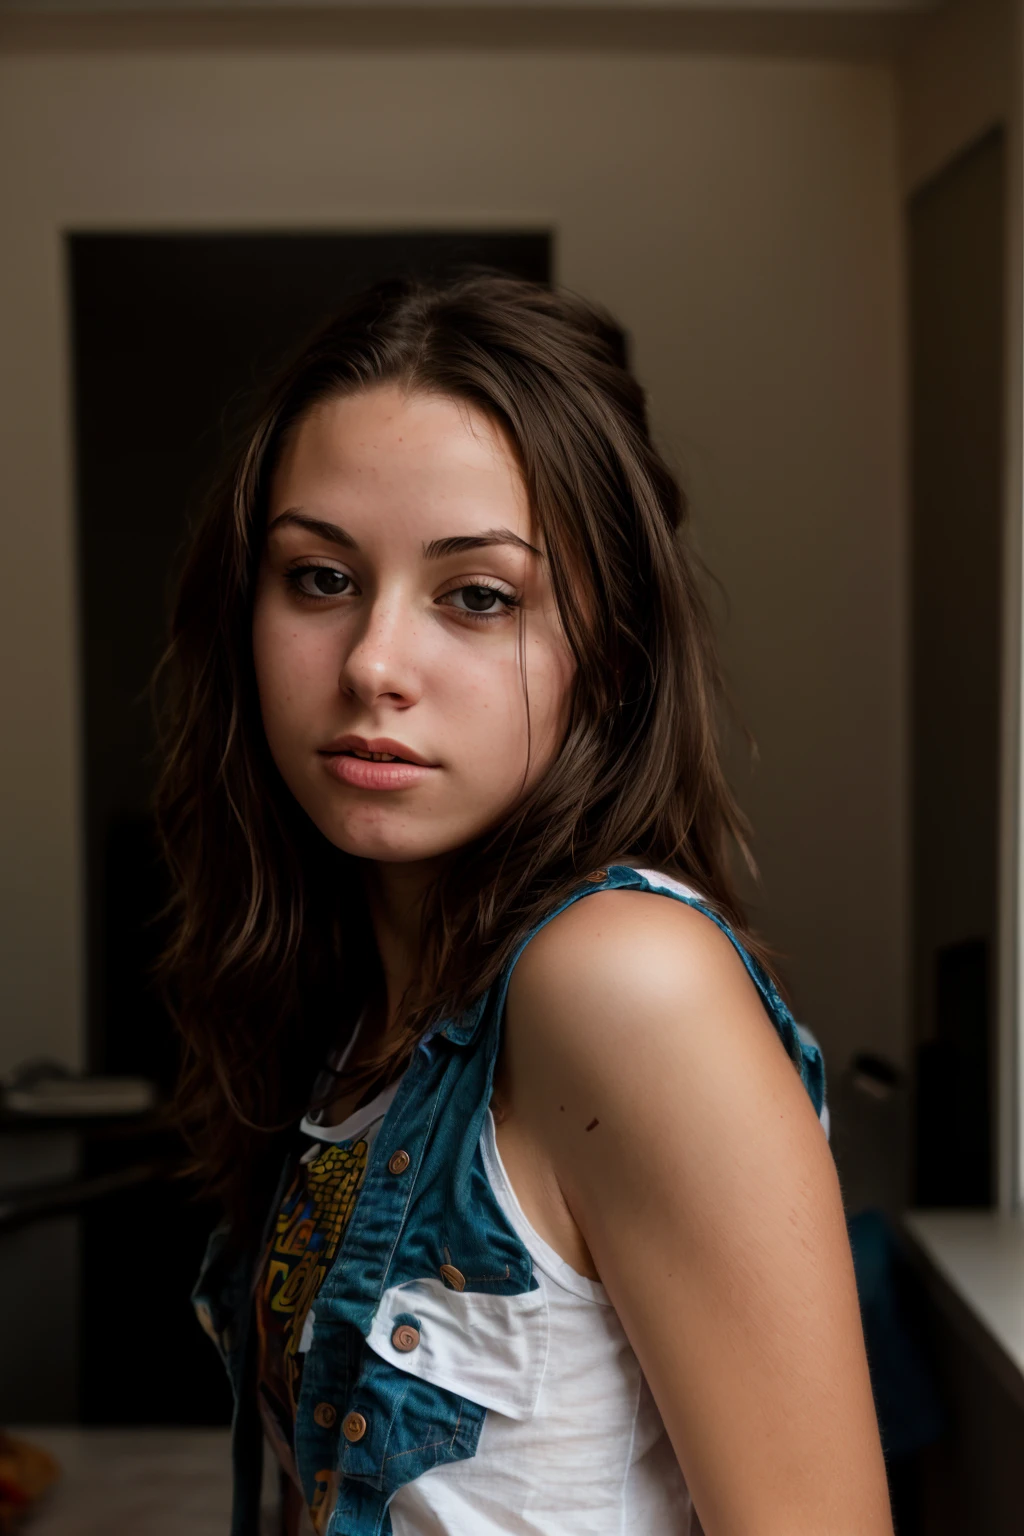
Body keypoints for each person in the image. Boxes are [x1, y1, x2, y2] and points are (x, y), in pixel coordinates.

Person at [156, 273, 893, 1536]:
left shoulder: (620, 981)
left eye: (478, 596)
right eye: (320, 578)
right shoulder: (356, 1017)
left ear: (607, 652)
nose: (375, 663)